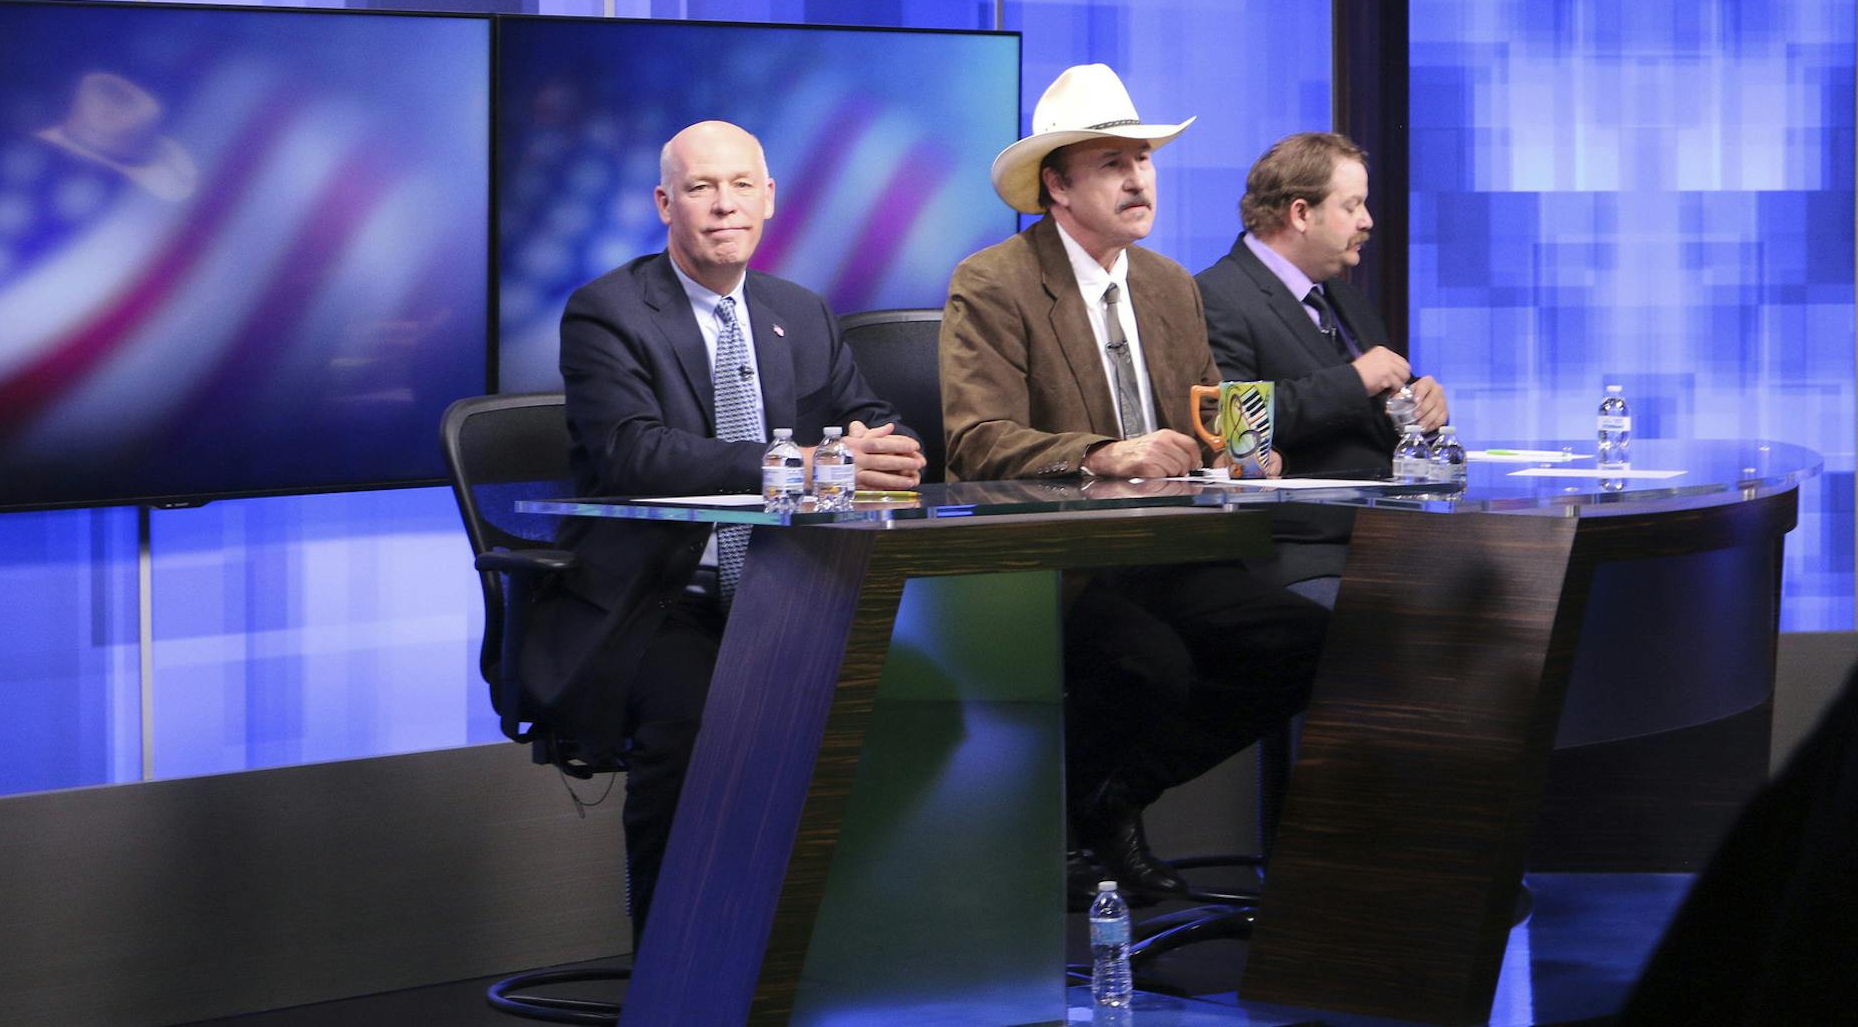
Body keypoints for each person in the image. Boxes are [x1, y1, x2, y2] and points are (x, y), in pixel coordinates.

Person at [523, 120, 925, 942]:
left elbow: (870, 422)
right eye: (702, 189)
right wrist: (796, 465)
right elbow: (636, 452)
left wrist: (876, 451)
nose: (723, 205)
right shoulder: (606, 313)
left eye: (741, 185)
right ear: (665, 204)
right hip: (660, 599)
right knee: (701, 727)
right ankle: (676, 975)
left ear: (770, 199)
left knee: (928, 705)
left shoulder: (799, 313)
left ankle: (823, 954)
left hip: (791, 594)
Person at [941, 64, 1327, 899]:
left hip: (1164, 552)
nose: (1139, 178)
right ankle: (1069, 823)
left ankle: (1105, 799)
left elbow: (1212, 421)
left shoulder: (1167, 285)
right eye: (1114, 162)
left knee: (1304, 641)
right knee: (1146, 663)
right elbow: (976, 441)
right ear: (1057, 185)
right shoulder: (993, 282)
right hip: (1050, 566)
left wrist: (1241, 455)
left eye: (1144, 161)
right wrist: (1102, 453)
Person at [1193, 132, 1449, 602]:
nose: (1367, 221)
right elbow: (1239, 430)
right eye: (1352, 206)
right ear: (1301, 213)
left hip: (1390, 541)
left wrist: (1422, 409)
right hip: (1296, 551)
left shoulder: (1347, 300)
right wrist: (1356, 380)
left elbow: (1381, 405)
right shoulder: (1215, 295)